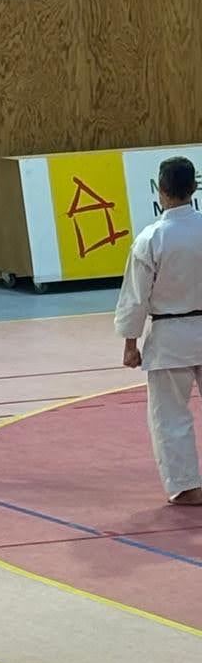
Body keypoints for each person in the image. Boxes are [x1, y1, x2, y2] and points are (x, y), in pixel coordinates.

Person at [115, 155, 202, 508]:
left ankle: (187, 487)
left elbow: (136, 297)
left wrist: (130, 344)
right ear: (194, 187)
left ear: (161, 190)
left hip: (170, 336)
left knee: (170, 416)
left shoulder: (151, 239)